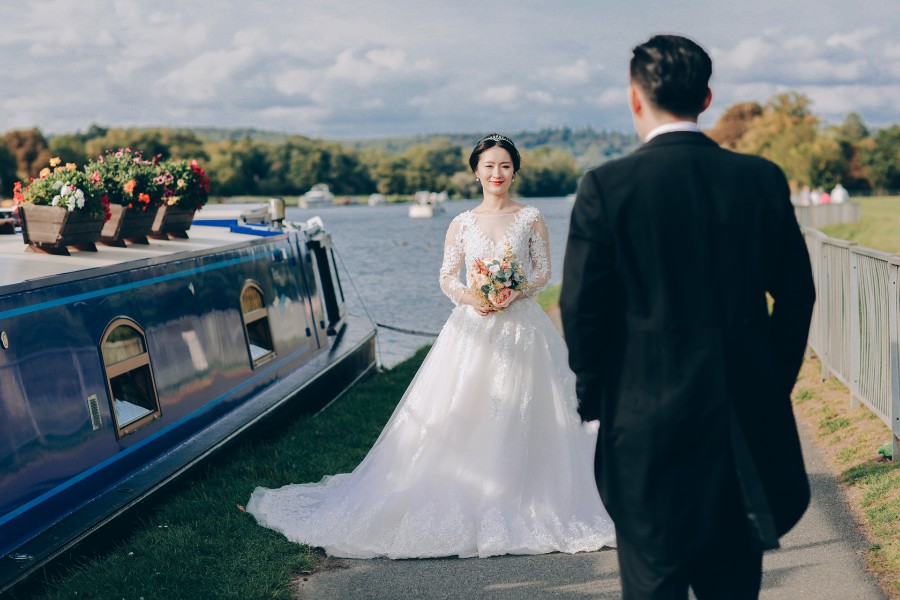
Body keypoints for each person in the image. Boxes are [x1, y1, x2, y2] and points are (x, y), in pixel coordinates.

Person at [247, 134, 616, 559]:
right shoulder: (461, 222)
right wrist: (473, 297)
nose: (497, 174)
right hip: (472, 325)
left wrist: (514, 292)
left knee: (528, 403)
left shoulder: (530, 217)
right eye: (489, 166)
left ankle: (531, 493)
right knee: (463, 405)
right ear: (476, 171)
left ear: (515, 171)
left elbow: (544, 272)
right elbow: (447, 277)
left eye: (505, 166)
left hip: (520, 325)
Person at [560, 35, 815, 599]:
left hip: (645, 428)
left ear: (634, 99)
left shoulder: (607, 186)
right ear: (707, 97)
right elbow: (798, 295)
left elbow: (583, 313)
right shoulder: (759, 179)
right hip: (743, 423)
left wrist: (595, 405)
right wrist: (772, 383)